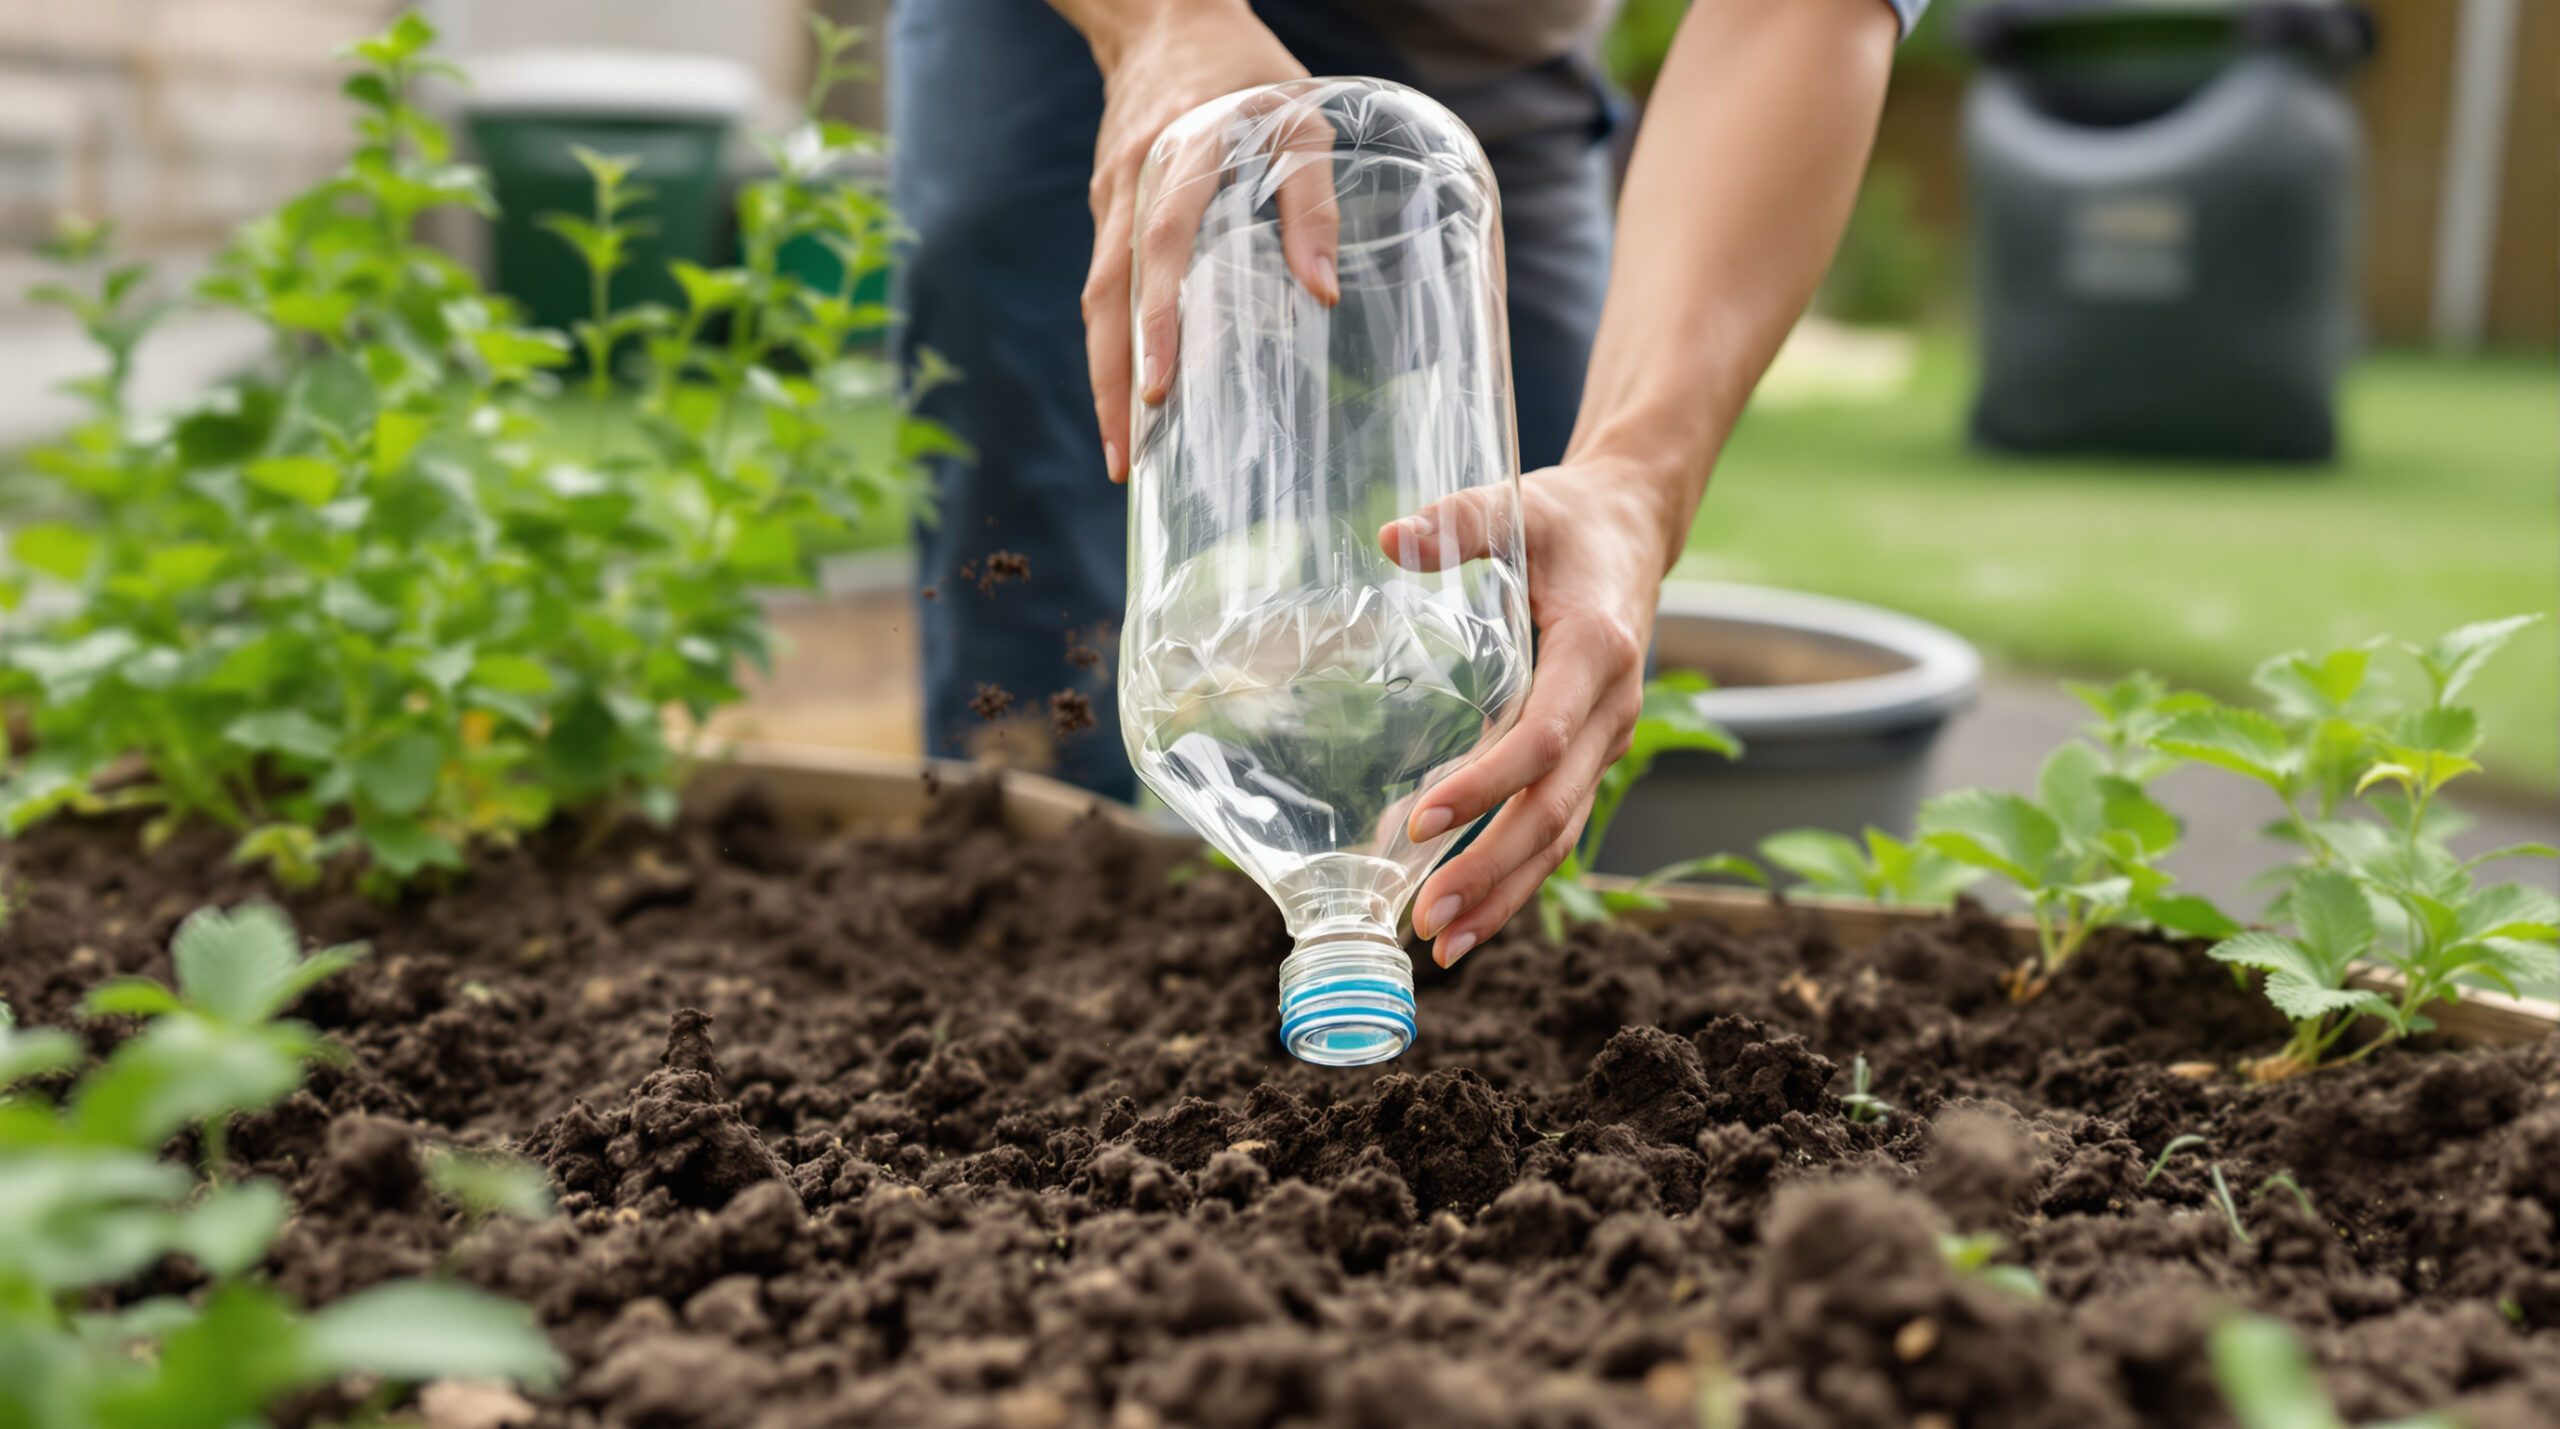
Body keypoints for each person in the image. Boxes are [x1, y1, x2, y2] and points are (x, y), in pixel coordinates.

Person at [892, 0, 1919, 967]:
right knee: (1028, 616)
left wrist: (1635, 482)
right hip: (1064, 45)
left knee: (1521, 681)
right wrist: (1167, 24)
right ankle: (1028, 964)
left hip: (1476, 75)